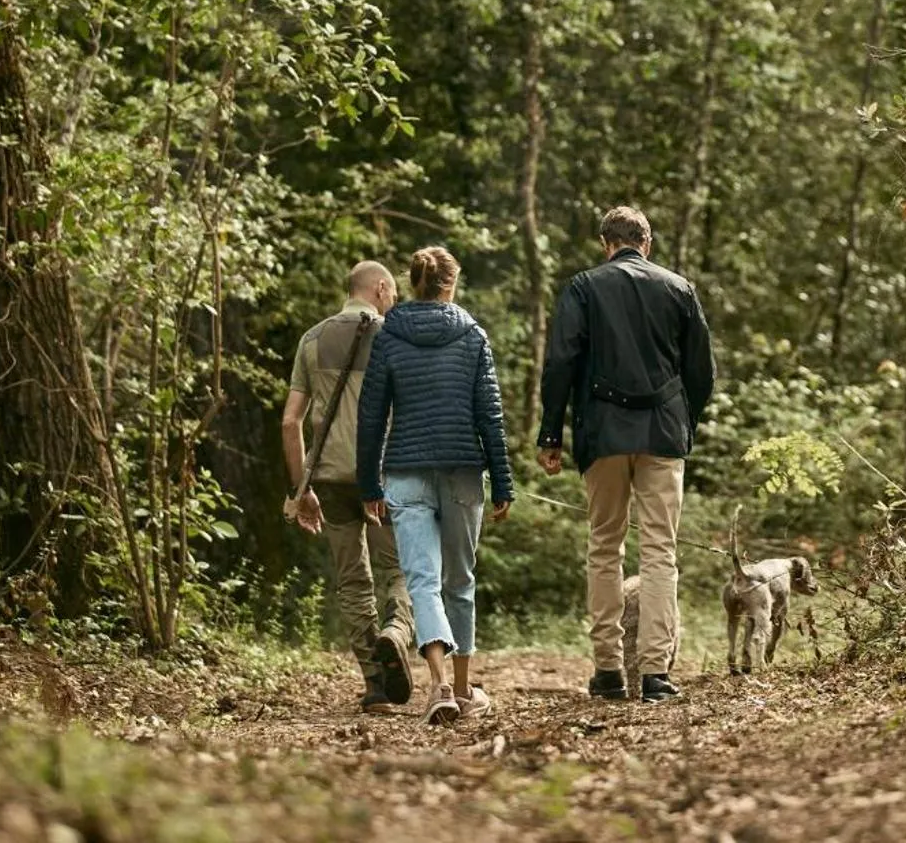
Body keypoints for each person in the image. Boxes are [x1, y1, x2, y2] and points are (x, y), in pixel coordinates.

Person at [536, 205, 713, 703]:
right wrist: (684, 424)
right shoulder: (679, 289)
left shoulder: (582, 288)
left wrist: (551, 433)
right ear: (647, 243)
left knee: (604, 547)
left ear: (604, 243)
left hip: (603, 434)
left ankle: (609, 671)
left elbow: (560, 364)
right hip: (662, 433)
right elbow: (702, 372)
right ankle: (656, 672)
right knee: (660, 551)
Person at [357, 246, 514, 726]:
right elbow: (489, 413)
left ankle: (440, 686)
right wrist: (503, 478)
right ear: (450, 284)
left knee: (423, 582)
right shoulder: (473, 335)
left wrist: (368, 482)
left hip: (405, 471)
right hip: (464, 470)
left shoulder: (389, 336)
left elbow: (371, 415)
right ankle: (464, 689)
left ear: (415, 282)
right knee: (460, 581)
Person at [281, 260, 415, 713]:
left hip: (330, 478)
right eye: (393, 293)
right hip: (382, 476)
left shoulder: (312, 340)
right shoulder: (394, 337)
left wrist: (302, 490)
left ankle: (376, 684)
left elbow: (290, 422)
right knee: (401, 569)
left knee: (353, 579)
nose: (393, 300)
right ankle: (396, 634)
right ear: (380, 289)